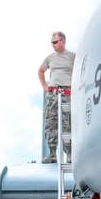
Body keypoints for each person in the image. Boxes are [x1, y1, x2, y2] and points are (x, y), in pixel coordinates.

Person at [37, 30, 76, 164]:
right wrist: (44, 86)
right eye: (51, 43)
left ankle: (69, 153)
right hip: (53, 94)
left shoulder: (72, 57)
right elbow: (41, 70)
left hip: (67, 94)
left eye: (55, 42)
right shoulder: (50, 58)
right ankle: (52, 154)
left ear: (63, 41)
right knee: (51, 123)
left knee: (67, 124)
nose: (53, 45)